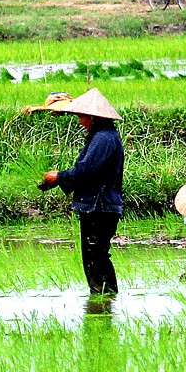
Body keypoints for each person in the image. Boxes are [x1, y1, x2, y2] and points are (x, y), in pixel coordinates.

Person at [37, 88, 124, 295]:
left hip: (99, 205)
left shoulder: (103, 138)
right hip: (99, 204)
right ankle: (106, 299)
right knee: (97, 255)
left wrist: (59, 177)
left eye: (82, 116)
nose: (79, 121)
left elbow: (86, 171)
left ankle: (102, 300)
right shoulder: (102, 135)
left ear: (93, 117)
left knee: (95, 255)